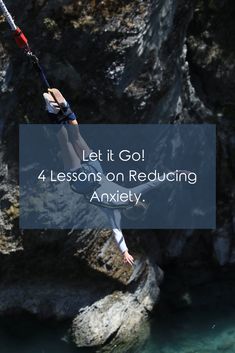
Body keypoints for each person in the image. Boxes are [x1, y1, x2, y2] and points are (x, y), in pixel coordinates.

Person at [43, 89, 181, 266]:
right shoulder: (114, 212)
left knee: (76, 137)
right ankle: (52, 112)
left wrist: (175, 174)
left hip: (95, 170)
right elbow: (118, 233)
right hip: (83, 181)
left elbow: (153, 183)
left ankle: (65, 109)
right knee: (66, 143)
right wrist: (125, 252)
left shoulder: (132, 193)